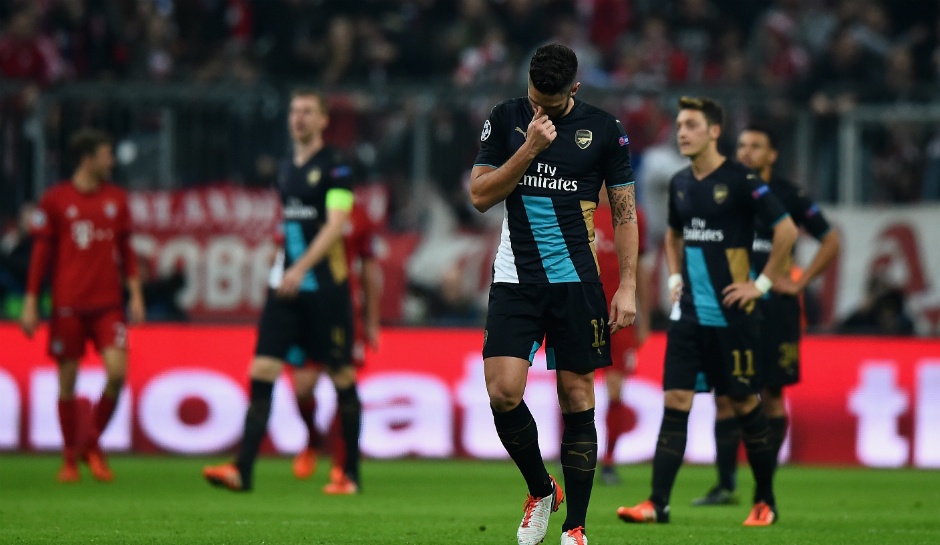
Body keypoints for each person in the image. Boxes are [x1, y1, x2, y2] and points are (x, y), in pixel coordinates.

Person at [470, 43, 639, 545]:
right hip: (515, 279)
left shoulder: (604, 130)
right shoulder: (505, 118)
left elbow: (625, 213)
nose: (538, 110)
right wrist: (529, 148)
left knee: (577, 396)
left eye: (550, 103)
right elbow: (480, 196)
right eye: (533, 99)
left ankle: (576, 527)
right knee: (502, 392)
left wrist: (628, 284)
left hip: (576, 282)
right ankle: (542, 490)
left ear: (575, 90)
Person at [615, 97, 798, 527]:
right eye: (680, 125)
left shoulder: (741, 180)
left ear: (714, 131)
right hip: (689, 316)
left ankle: (765, 500)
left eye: (692, 125)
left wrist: (760, 284)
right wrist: (675, 278)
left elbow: (786, 230)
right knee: (675, 401)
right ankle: (657, 503)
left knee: (743, 402)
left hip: (733, 315)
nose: (682, 132)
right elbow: (673, 235)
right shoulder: (680, 182)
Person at [202, 88, 362, 494]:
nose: (299, 118)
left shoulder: (337, 166)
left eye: (307, 111)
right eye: (294, 111)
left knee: (341, 374)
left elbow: (336, 224)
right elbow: (290, 224)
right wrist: (282, 266)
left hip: (325, 287)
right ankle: (242, 470)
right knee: (261, 370)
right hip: (286, 289)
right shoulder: (286, 167)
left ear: (323, 120)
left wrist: (301, 267)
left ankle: (350, 475)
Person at [692, 122, 841, 506]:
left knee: (772, 394)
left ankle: (764, 483)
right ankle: (725, 485)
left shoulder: (790, 195)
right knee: (726, 395)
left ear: (772, 154)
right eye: (742, 145)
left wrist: (801, 281)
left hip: (776, 308)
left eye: (755, 146)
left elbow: (830, 239)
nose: (746, 152)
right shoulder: (723, 190)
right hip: (732, 305)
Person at [21, 128, 145, 483]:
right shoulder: (55, 200)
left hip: (108, 304)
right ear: (88, 159)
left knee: (117, 374)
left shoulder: (117, 199)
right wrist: (31, 300)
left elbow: (126, 251)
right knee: (67, 380)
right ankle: (69, 458)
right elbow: (41, 254)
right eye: (106, 155)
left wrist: (136, 294)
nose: (112, 161)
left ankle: (91, 444)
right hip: (68, 305)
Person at [291, 197, 381, 490]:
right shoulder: (300, 204)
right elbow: (280, 253)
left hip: (343, 311)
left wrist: (371, 320)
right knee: (302, 387)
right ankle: (313, 439)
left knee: (343, 383)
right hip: (305, 309)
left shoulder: (358, 212)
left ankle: (344, 467)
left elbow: (368, 267)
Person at [593, 195, 651, 486]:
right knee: (574, 387)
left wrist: (645, 318)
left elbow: (640, 269)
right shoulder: (577, 205)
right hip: (582, 313)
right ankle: (574, 455)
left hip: (620, 316)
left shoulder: (632, 214)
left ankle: (609, 461)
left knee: (615, 390)